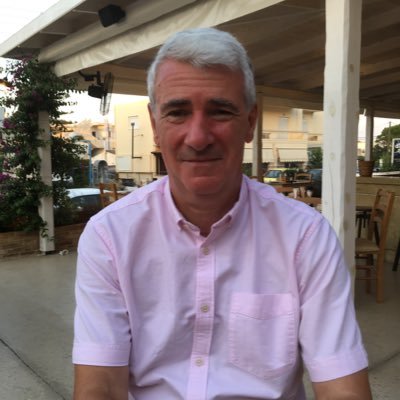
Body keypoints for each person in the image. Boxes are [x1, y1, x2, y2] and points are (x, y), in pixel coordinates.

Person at [72, 27, 372, 400]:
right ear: (154, 125)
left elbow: (343, 388)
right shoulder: (110, 236)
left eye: (220, 111)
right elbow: (99, 386)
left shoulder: (305, 237)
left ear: (250, 122)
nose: (198, 137)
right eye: (177, 112)